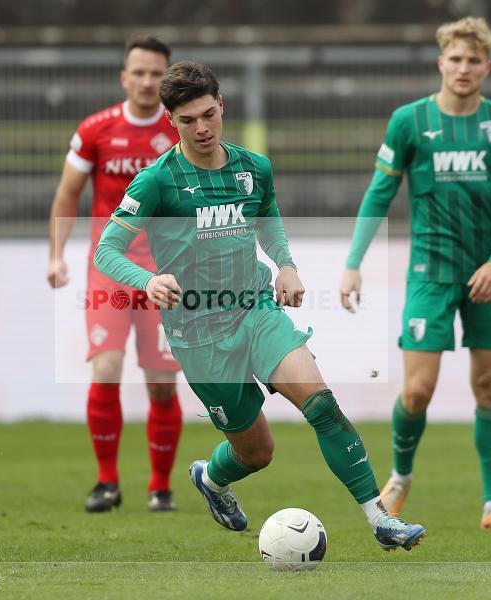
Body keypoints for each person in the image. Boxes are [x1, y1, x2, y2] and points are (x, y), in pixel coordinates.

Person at [94, 60, 426, 551]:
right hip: (199, 335)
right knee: (257, 452)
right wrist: (149, 280)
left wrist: (286, 265)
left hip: (255, 309)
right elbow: (106, 250)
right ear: (171, 121)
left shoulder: (254, 168)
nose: (202, 128)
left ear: (221, 105)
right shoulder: (156, 182)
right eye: (188, 120)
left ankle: (381, 519)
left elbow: (268, 221)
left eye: (209, 114)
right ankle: (212, 479)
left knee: (322, 405)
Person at [339, 17, 491, 531]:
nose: (464, 68)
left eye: (474, 60)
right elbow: (379, 194)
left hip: (490, 274)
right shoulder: (409, 121)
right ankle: (400, 478)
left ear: (487, 67)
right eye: (456, 59)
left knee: (490, 387)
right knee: (418, 390)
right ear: (441, 61)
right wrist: (353, 263)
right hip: (430, 273)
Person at [47, 36, 183, 513]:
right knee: (105, 371)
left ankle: (160, 487)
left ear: (168, 80)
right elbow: (67, 194)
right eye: (139, 72)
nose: (147, 82)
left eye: (156, 74)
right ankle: (107, 482)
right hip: (110, 270)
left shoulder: (182, 130)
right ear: (124, 77)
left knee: (161, 383)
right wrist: (56, 254)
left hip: (167, 275)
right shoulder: (96, 129)